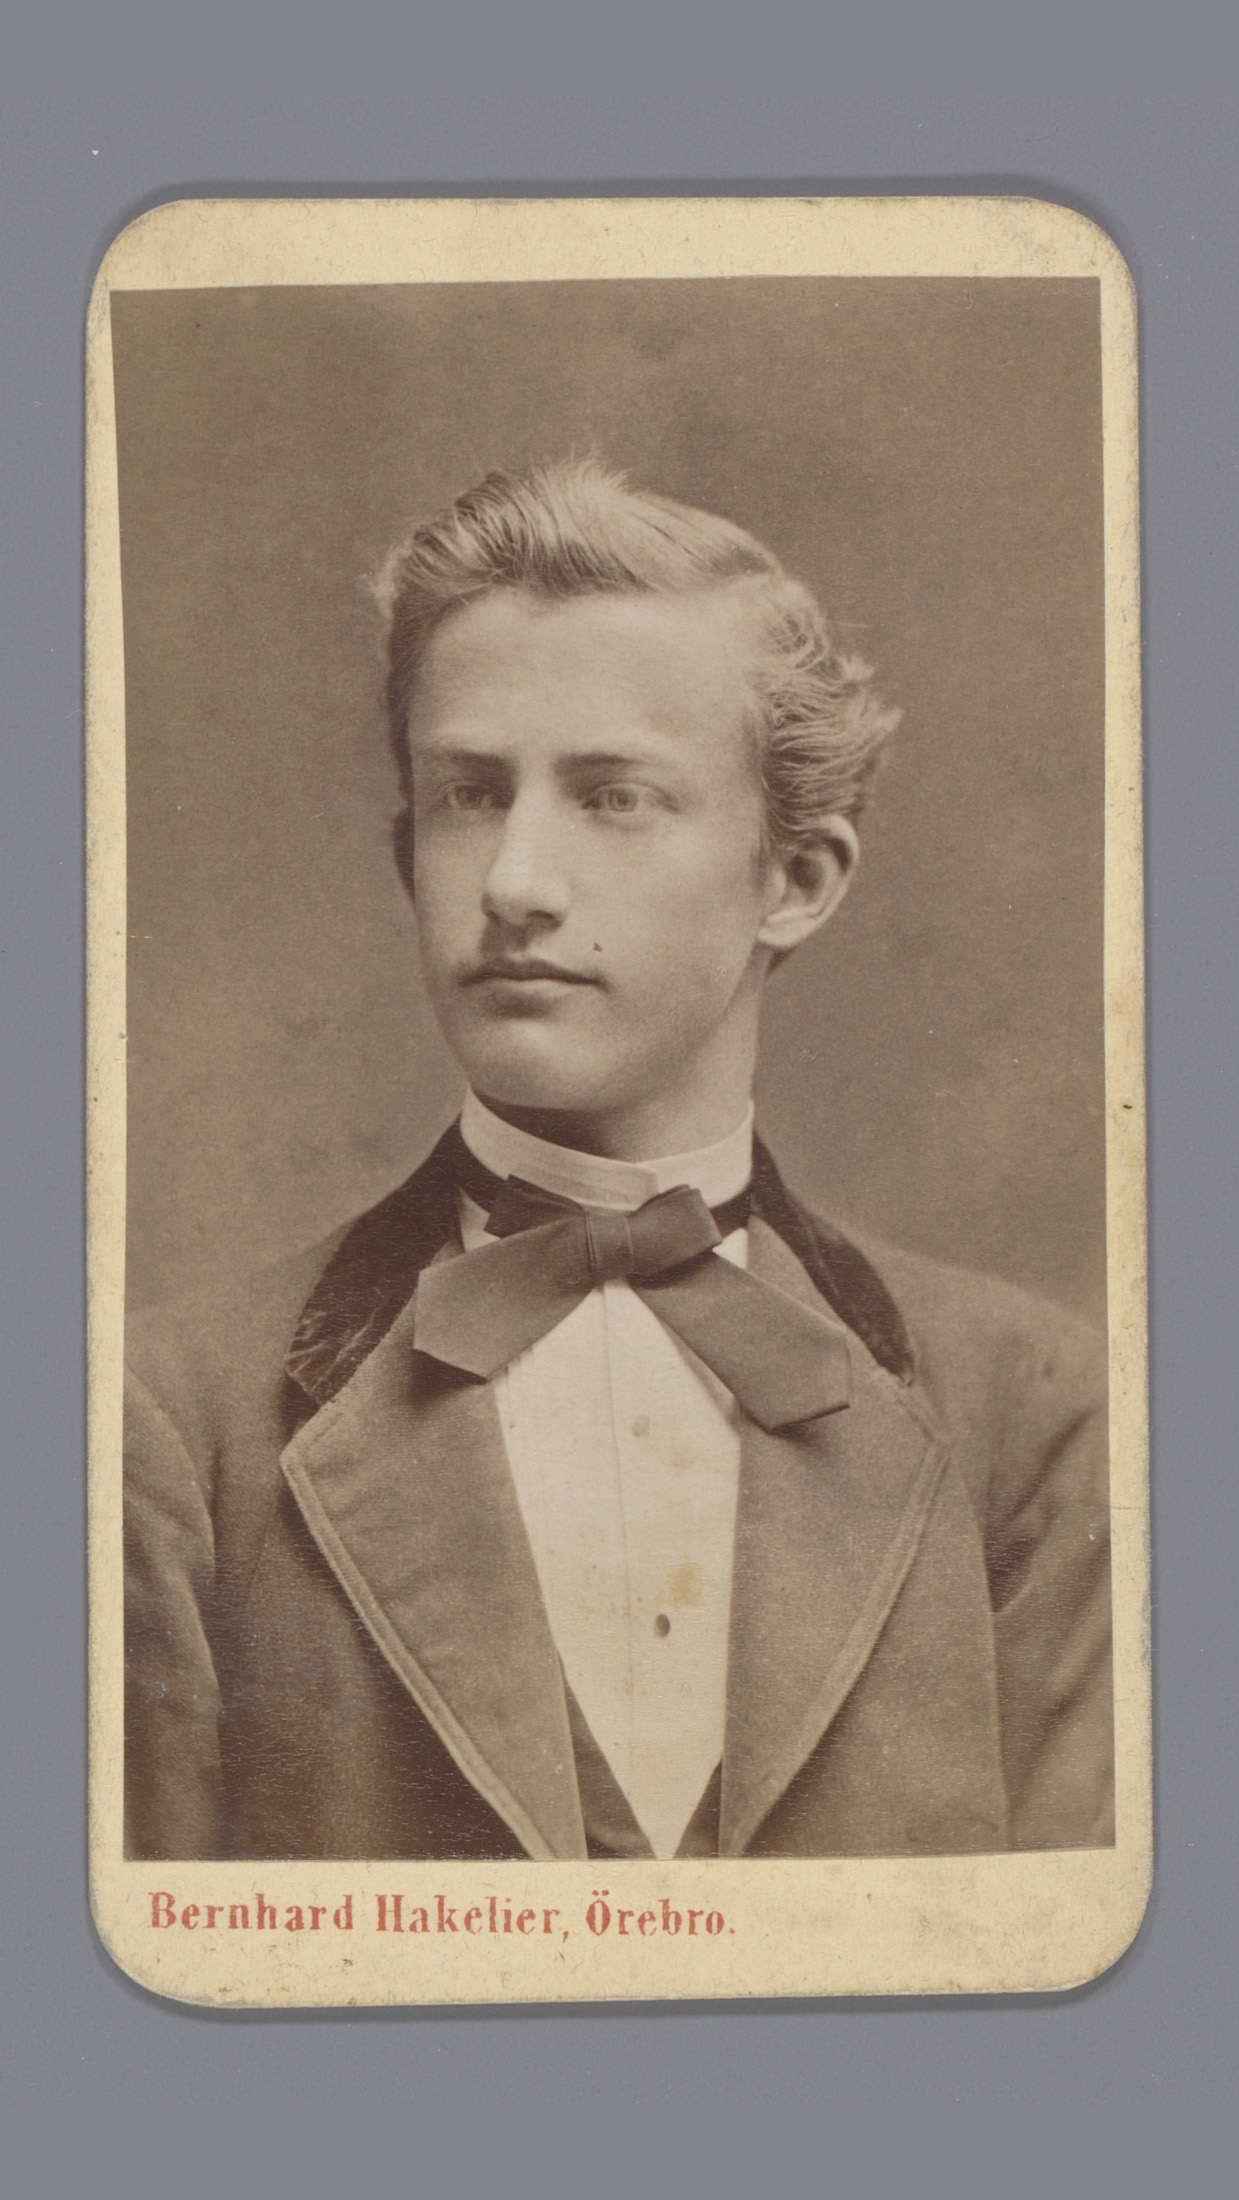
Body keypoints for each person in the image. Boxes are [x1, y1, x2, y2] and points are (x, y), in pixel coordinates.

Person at [123, 459, 1113, 1864]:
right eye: (469, 794)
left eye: (615, 797)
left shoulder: (1037, 1421)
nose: (514, 881)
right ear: (408, 852)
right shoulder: (172, 1423)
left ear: (796, 879)